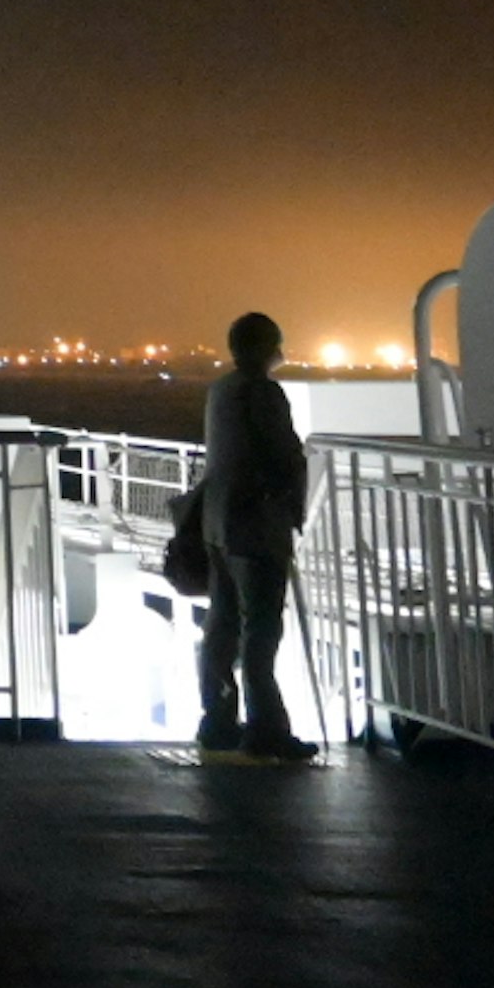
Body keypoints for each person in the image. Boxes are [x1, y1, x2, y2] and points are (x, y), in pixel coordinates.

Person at [197, 310, 315, 762]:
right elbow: (285, 456)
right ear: (271, 347)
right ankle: (266, 729)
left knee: (221, 627)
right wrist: (292, 506)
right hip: (256, 527)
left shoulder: (221, 390)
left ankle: (218, 720)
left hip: (217, 523)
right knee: (261, 631)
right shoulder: (264, 393)